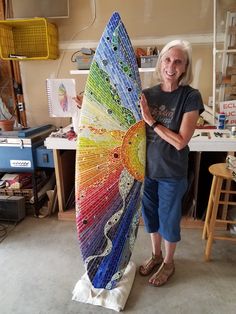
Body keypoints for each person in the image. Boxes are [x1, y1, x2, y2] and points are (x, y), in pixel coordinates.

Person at [139, 40, 204, 287]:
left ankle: (169, 262)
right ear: (160, 63)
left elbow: (180, 142)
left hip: (172, 173)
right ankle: (155, 255)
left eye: (178, 61)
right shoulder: (148, 94)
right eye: (167, 59)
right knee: (151, 217)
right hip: (147, 170)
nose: (171, 65)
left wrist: (151, 121)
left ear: (185, 67)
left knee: (168, 219)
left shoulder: (190, 96)